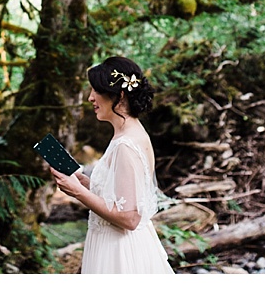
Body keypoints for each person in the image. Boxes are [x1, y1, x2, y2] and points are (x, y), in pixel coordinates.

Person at [50, 56, 174, 274]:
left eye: (96, 91)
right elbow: (118, 194)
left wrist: (78, 192)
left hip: (119, 252)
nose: (90, 98)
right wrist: (85, 183)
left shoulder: (126, 145)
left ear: (120, 95)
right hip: (116, 244)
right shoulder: (127, 134)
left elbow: (129, 217)